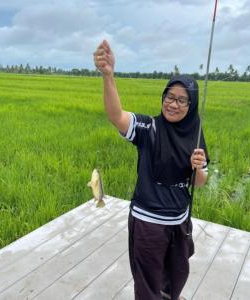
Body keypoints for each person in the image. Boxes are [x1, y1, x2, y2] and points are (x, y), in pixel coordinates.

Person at [93, 40, 209, 300]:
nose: (174, 104)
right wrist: (108, 75)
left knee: (176, 279)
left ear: (191, 106)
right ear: (163, 98)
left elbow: (199, 182)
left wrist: (198, 168)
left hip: (179, 223)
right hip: (148, 224)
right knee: (147, 286)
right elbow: (116, 116)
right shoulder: (148, 128)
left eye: (182, 100)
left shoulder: (196, 134)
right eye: (170, 97)